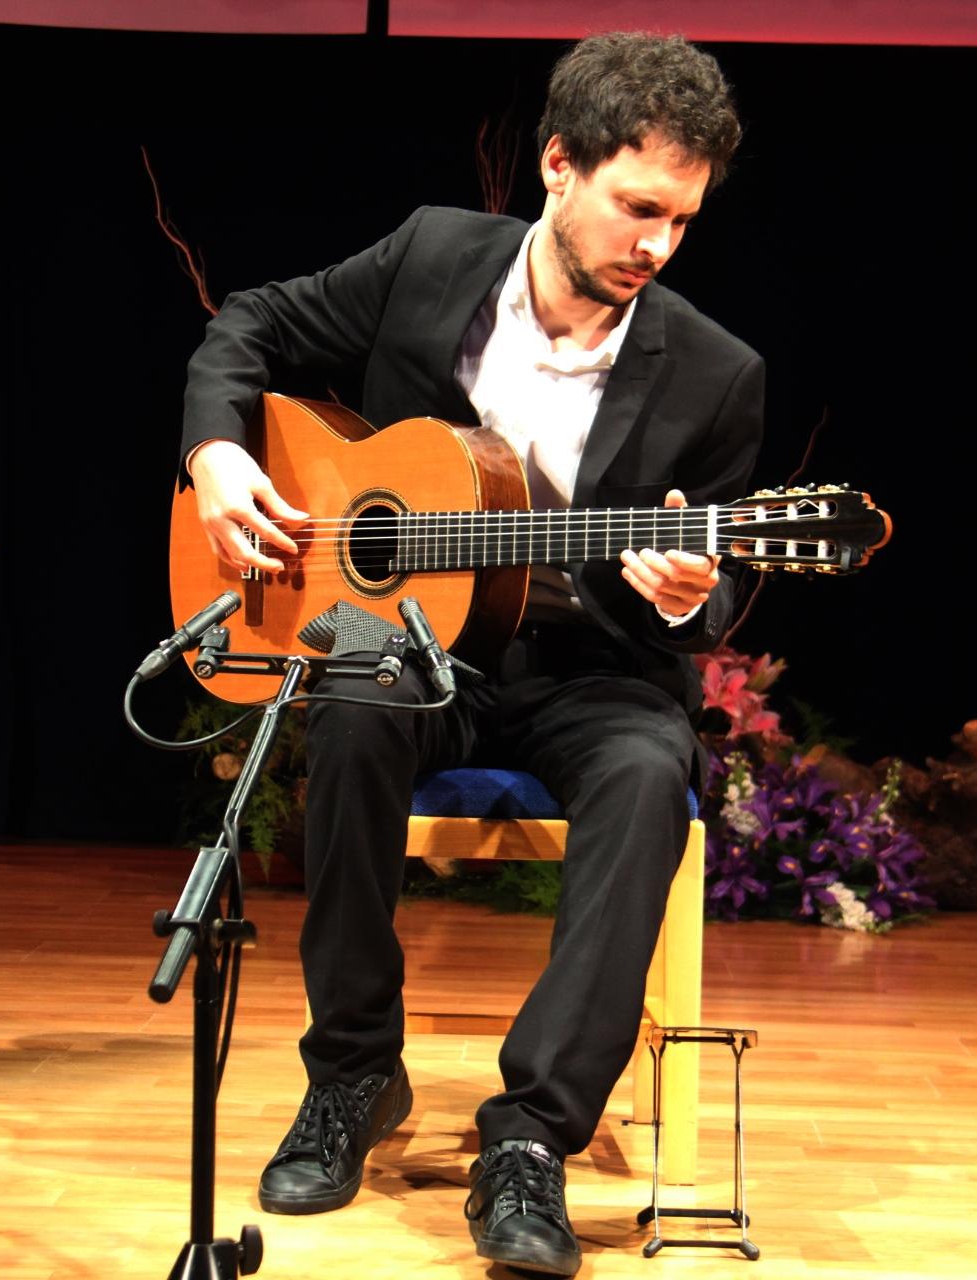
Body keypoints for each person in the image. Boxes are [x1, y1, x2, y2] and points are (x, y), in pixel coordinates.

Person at [177, 31, 762, 1277]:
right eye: (638, 207)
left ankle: (535, 1133)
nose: (658, 244)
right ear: (559, 165)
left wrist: (686, 589)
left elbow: (716, 588)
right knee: (352, 707)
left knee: (647, 775)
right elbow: (248, 324)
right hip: (419, 641)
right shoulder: (434, 256)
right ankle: (352, 1071)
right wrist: (217, 452)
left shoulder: (717, 374)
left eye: (682, 220)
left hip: (594, 669)